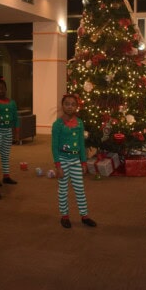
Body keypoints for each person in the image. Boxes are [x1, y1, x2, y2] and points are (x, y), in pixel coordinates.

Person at [51, 94, 97, 229]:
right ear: (62, 105)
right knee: (63, 190)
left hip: (76, 160)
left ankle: (84, 216)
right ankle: (64, 216)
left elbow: (81, 144)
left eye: (73, 104)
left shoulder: (80, 123)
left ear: (77, 107)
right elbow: (54, 147)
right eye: (67, 104)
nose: (69, 107)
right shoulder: (57, 124)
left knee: (79, 189)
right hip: (63, 160)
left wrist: (83, 162)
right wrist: (58, 166)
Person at [0, 76, 20, 185]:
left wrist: (16, 134)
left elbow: (16, 119)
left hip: (8, 131)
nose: (0, 91)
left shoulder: (12, 103)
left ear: (6, 89)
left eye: (2, 88)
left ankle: (6, 176)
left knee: (6, 155)